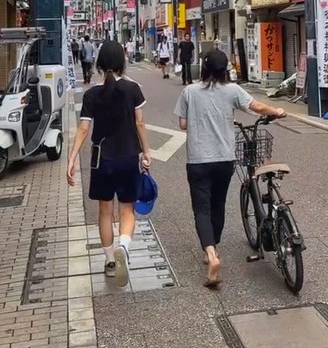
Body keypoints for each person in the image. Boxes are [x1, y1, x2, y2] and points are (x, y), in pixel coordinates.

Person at [174, 49, 286, 287]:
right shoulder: (233, 90)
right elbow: (257, 106)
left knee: (201, 209)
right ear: (225, 70)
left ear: (204, 68)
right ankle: (214, 245)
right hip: (224, 159)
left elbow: (182, 124)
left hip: (198, 160)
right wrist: (277, 111)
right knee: (218, 204)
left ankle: (210, 254)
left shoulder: (189, 91)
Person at [67, 40, 151, 288]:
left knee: (105, 211)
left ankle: (110, 261)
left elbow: (84, 128)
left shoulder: (91, 94)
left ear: (99, 65)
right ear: (122, 63)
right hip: (128, 156)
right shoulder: (133, 89)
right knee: (127, 210)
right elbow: (140, 123)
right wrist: (146, 152)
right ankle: (123, 246)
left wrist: (72, 158)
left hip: (101, 160)